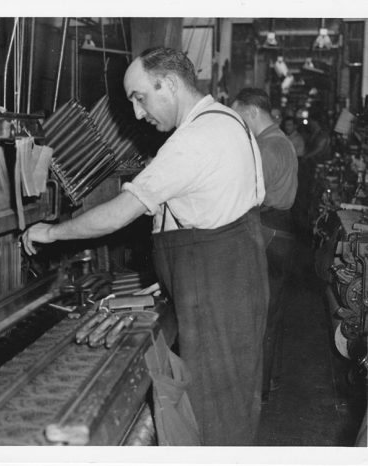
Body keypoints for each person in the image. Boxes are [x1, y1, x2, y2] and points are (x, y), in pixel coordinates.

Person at [22, 46, 269, 446]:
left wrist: (50, 232)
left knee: (212, 412)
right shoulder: (226, 119)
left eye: (140, 98)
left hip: (217, 288)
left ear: (169, 84)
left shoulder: (194, 139)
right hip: (230, 277)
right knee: (232, 402)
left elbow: (121, 212)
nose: (138, 113)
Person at [232, 88, 298, 401]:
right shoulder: (280, 140)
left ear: (252, 112)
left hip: (268, 232)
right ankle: (266, 381)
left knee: (257, 312)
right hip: (281, 232)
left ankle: (255, 388)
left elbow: (250, 196)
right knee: (271, 312)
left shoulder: (265, 146)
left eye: (238, 114)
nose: (237, 122)